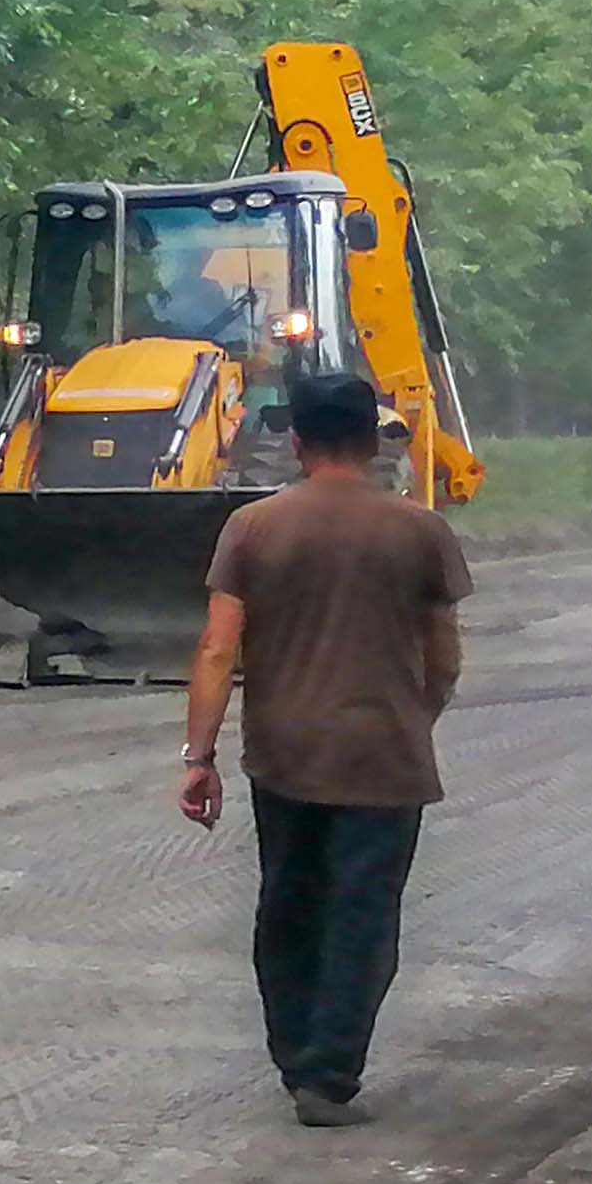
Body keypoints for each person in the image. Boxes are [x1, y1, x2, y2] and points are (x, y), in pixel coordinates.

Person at [175, 369, 470, 1125]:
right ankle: (329, 1076)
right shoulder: (420, 531)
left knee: (291, 904)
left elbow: (216, 650)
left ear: (296, 441)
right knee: (363, 916)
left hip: (284, 755)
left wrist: (199, 756)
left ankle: (295, 1055)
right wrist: (415, 714)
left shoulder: (253, 527)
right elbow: (445, 655)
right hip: (386, 757)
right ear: (374, 442)